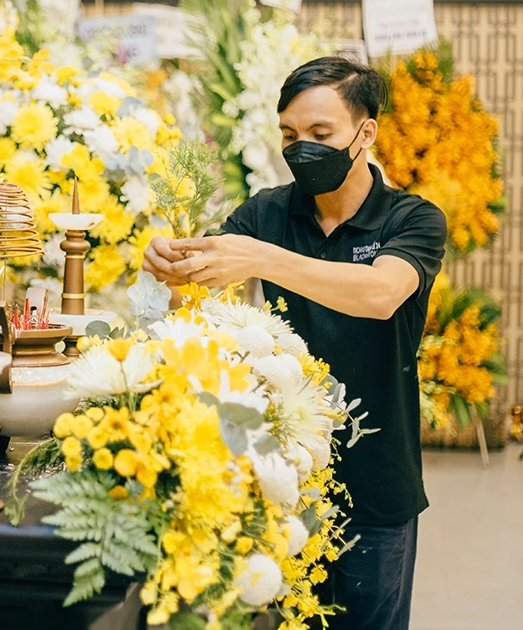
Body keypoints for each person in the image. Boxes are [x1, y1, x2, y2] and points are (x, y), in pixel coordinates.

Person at [143, 57, 447, 630]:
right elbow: (201, 266)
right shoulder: (268, 211)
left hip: (376, 485)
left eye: (320, 134)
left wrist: (262, 256)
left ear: (365, 133)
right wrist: (167, 259)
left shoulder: (414, 219)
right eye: (289, 135)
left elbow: (381, 293)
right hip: (280, 482)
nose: (301, 147)